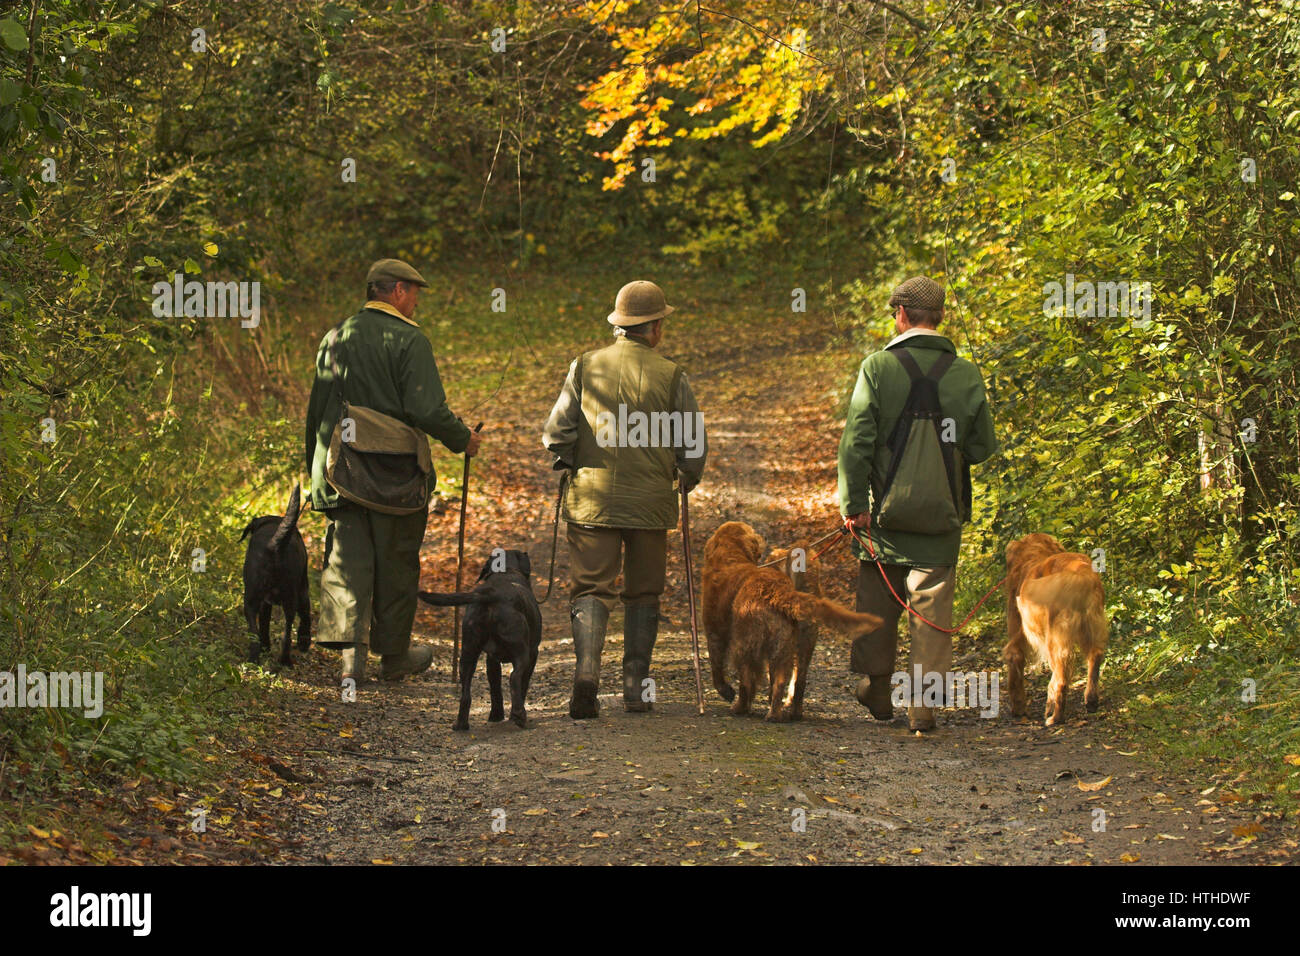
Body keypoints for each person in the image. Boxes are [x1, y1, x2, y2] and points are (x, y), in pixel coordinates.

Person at [305, 259, 482, 683]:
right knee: (397, 563)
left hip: (341, 470)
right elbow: (426, 409)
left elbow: (317, 414)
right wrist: (464, 440)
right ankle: (394, 657)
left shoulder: (335, 336)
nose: (417, 301)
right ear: (397, 291)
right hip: (395, 475)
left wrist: (314, 478)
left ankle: (351, 663)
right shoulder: (409, 340)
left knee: (348, 561)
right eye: (415, 292)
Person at [542, 280, 708, 718]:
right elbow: (692, 443)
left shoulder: (583, 367)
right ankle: (636, 686)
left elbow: (556, 435)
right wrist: (687, 477)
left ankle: (587, 675)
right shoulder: (672, 375)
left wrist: (573, 462)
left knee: (591, 587)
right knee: (643, 592)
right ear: (654, 328)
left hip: (592, 501)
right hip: (651, 503)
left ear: (620, 325)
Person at [837, 276, 997, 731]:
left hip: (882, 515)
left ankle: (877, 690)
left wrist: (854, 504)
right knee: (931, 607)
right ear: (940, 317)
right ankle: (922, 707)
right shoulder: (966, 373)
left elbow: (856, 444)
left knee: (878, 597)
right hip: (940, 515)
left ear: (902, 315)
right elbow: (982, 447)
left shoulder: (877, 368)